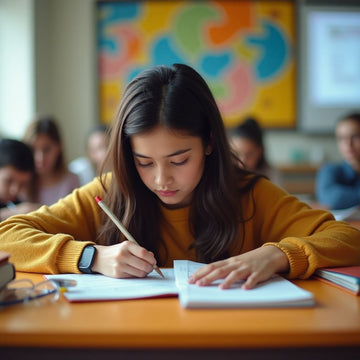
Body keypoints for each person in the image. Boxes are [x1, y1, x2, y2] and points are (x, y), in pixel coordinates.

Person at [0, 64, 359, 290]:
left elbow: (347, 237)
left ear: (209, 143)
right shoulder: (111, 193)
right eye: (143, 161)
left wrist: (277, 255)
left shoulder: (249, 194)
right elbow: (8, 236)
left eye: (179, 159)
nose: (161, 180)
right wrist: (91, 257)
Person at [23, 116, 80, 206]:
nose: (40, 158)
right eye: (33, 150)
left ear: (59, 147)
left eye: (46, 149)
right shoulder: (20, 182)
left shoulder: (71, 181)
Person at [316, 112, 360, 210]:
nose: (348, 144)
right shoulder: (329, 170)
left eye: (355, 137)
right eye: (341, 138)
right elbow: (332, 199)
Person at [228, 117, 283, 186]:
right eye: (236, 154)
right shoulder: (225, 174)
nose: (242, 163)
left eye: (249, 155)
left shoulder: (271, 176)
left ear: (260, 151)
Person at [0, 138, 41, 221]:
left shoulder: (15, 204)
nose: (15, 190)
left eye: (22, 184)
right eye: (8, 181)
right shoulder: (16, 210)